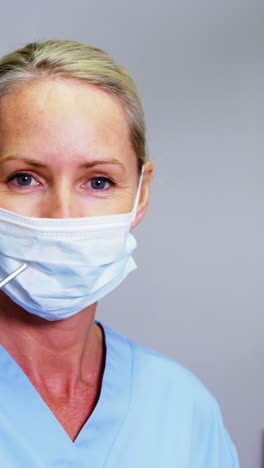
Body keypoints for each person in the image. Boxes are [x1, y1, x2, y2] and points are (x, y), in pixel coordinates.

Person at [0, 40, 239, 467]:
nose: (63, 216)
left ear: (140, 195)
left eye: (98, 182)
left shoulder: (183, 410)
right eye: (23, 178)